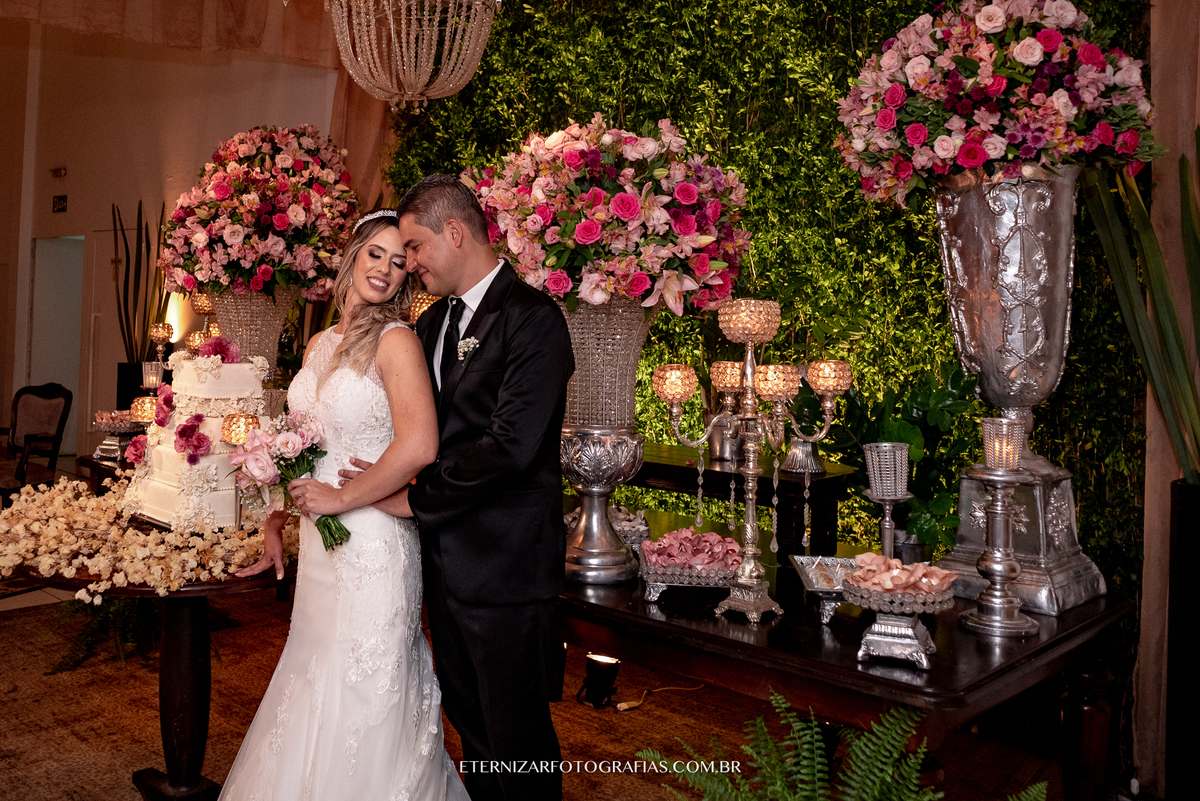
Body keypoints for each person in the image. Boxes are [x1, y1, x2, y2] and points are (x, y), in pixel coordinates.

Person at [220, 210, 469, 801]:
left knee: (366, 686)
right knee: (314, 675)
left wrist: (340, 498)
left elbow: (420, 444)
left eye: (399, 262)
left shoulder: (397, 340)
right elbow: (306, 445)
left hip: (374, 543)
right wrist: (279, 517)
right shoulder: (319, 343)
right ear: (353, 256)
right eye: (375, 254)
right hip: (322, 547)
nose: (385, 270)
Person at [341, 175, 575, 800]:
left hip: (507, 569)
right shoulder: (432, 322)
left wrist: (414, 498)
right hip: (443, 566)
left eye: (415, 247)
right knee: (471, 727)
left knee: (516, 737)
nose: (410, 263)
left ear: (455, 232)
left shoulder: (533, 319)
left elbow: (509, 448)